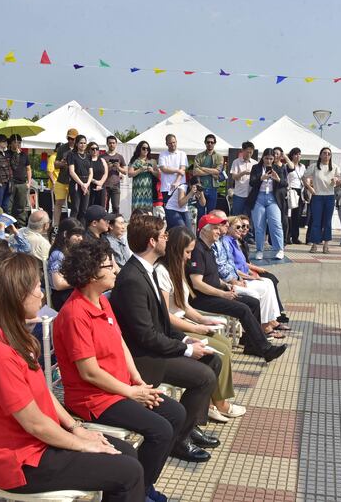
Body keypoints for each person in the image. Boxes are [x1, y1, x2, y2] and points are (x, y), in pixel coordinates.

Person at [0, 251, 144, 499]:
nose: (41, 294)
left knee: (126, 453)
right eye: (37, 288)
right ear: (15, 296)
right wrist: (82, 444)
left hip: (39, 445)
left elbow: (43, 393)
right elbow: (34, 423)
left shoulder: (14, 336)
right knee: (128, 471)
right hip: (21, 463)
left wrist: (75, 428)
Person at [54, 239, 184, 501]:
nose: (116, 269)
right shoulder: (74, 314)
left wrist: (136, 379)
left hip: (119, 388)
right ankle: (138, 489)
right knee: (160, 429)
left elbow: (119, 341)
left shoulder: (102, 301)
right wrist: (131, 392)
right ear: (91, 275)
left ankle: (143, 486)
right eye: (109, 265)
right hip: (93, 398)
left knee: (176, 413)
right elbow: (89, 372)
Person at [109, 214, 222, 463]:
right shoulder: (132, 279)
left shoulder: (147, 270)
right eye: (163, 235)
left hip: (155, 347)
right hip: (143, 358)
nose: (167, 239)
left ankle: (189, 427)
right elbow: (145, 335)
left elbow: (161, 321)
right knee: (204, 376)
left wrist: (185, 341)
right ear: (152, 241)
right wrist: (186, 351)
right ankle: (178, 442)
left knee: (213, 360)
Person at [157, 225, 246, 423]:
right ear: (176, 249)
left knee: (224, 344)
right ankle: (216, 403)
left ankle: (216, 400)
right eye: (187, 252)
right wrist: (197, 328)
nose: (190, 257)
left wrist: (203, 320)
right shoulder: (162, 272)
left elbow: (184, 305)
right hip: (175, 328)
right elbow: (166, 314)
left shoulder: (176, 268)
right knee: (218, 352)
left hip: (184, 321)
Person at [187, 214, 286, 362]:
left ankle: (251, 344)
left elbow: (212, 277)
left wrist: (226, 285)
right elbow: (197, 283)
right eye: (215, 228)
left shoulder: (209, 249)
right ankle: (265, 350)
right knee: (243, 309)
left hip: (216, 293)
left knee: (253, 302)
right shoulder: (198, 251)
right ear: (203, 231)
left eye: (218, 228)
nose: (219, 231)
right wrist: (222, 294)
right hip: (202, 298)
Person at [212, 214, 286, 336]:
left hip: (238, 278)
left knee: (268, 281)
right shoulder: (224, 242)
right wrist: (237, 279)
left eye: (245, 227)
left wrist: (244, 276)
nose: (242, 229)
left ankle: (269, 322)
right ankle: (261, 328)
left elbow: (232, 265)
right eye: (239, 227)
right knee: (259, 290)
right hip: (228, 283)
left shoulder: (232, 242)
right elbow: (224, 268)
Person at [247, 148, 287, 260]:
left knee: (276, 224)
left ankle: (279, 249)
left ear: (274, 159)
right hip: (259, 197)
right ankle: (259, 250)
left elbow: (285, 183)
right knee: (259, 226)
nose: (268, 161)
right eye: (266, 158)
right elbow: (251, 182)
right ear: (262, 158)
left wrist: (278, 179)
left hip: (273, 199)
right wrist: (261, 178)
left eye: (271, 158)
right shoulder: (256, 168)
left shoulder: (278, 168)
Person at [303, 147, 341, 254]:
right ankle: (314, 244)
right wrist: (309, 188)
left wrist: (336, 180)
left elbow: (339, 180)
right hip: (317, 196)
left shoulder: (334, 167)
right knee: (316, 221)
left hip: (329, 196)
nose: (327, 155)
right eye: (324, 153)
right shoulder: (314, 166)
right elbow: (304, 177)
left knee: (327, 222)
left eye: (329, 153)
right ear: (320, 155)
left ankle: (326, 245)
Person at [48, 218, 85, 310]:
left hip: (73, 293)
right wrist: (81, 280)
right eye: (76, 235)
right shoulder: (58, 255)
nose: (80, 238)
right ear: (65, 234)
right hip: (63, 297)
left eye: (81, 235)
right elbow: (58, 284)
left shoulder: (74, 251)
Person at [51, 128, 78, 230]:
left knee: (74, 204)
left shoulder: (80, 148)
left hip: (74, 181)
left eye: (73, 139)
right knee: (58, 203)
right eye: (69, 138)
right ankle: (56, 226)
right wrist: (61, 163)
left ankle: (73, 226)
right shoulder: (62, 148)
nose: (71, 140)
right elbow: (55, 164)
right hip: (62, 180)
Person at [192, 134, 224, 217]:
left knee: (211, 214)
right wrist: (212, 172)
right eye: (208, 142)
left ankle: (210, 230)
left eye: (212, 142)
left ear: (214, 143)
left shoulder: (219, 157)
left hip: (213, 188)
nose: (210, 144)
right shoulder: (199, 156)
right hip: (200, 187)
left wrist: (202, 168)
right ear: (205, 143)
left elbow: (218, 171)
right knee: (200, 213)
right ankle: (200, 230)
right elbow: (195, 172)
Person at [7, 135, 32, 225]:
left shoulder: (24, 155)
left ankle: (21, 226)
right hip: (10, 183)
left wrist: (29, 182)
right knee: (9, 207)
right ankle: (8, 226)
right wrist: (15, 155)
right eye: (15, 142)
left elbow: (28, 169)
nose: (17, 144)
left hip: (22, 184)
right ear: (10, 143)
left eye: (19, 142)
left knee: (21, 207)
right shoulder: (7, 154)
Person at [128, 140, 159, 213]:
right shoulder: (134, 160)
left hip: (148, 191)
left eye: (147, 149)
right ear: (139, 149)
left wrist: (152, 171)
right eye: (144, 148)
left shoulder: (152, 161)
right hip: (137, 191)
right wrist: (140, 169)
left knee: (148, 212)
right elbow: (129, 174)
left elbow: (158, 175)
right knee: (137, 211)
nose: (146, 150)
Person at [68, 135, 93, 223]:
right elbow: (72, 171)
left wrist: (87, 184)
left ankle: (82, 230)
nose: (83, 145)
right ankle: (71, 229)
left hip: (86, 184)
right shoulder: (72, 154)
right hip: (76, 183)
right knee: (75, 208)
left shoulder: (88, 156)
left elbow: (91, 172)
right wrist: (81, 184)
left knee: (84, 209)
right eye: (81, 143)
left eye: (84, 143)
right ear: (77, 144)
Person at [157, 134, 187, 207]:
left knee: (182, 209)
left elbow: (182, 169)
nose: (173, 144)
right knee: (168, 210)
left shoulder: (182, 154)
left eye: (174, 142)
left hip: (180, 187)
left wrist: (177, 182)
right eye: (170, 143)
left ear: (176, 142)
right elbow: (163, 169)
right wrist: (177, 170)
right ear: (166, 144)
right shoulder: (162, 154)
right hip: (167, 187)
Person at [229, 142, 258, 218]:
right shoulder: (236, 162)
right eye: (247, 152)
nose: (249, 154)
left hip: (251, 195)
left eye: (251, 152)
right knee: (236, 217)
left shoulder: (255, 163)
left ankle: (248, 230)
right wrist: (243, 173)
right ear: (242, 150)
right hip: (239, 194)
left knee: (248, 217)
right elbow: (234, 177)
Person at [286, 147, 306, 245]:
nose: (298, 156)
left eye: (299, 154)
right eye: (296, 154)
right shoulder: (287, 165)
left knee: (297, 216)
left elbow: (304, 178)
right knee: (289, 215)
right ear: (292, 155)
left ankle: (295, 237)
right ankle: (287, 236)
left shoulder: (303, 166)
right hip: (291, 190)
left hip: (300, 191)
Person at [103, 135, 127, 214]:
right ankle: (105, 224)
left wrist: (118, 167)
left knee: (116, 207)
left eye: (113, 143)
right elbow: (98, 171)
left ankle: (115, 224)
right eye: (110, 143)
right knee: (104, 207)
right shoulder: (102, 156)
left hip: (116, 185)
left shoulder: (120, 157)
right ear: (107, 144)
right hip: (104, 185)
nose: (112, 145)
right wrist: (108, 167)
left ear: (116, 144)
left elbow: (125, 172)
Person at [87, 141, 107, 207]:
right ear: (89, 150)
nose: (95, 150)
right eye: (93, 149)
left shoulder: (102, 160)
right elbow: (86, 174)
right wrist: (96, 182)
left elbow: (106, 173)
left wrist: (100, 183)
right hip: (90, 186)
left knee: (101, 207)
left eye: (97, 149)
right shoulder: (86, 161)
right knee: (90, 207)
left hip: (101, 187)